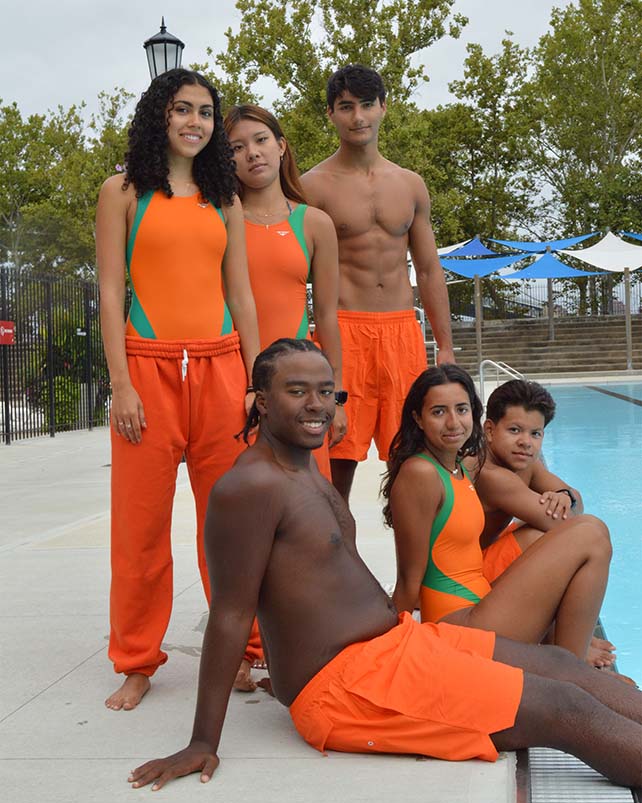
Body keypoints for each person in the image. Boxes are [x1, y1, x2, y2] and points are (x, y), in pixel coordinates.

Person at [129, 341, 642, 792]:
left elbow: (310, 581)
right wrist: (202, 739)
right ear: (262, 401)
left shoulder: (302, 465)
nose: (317, 406)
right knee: (564, 708)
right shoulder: (249, 488)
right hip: (348, 685)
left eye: (327, 392)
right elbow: (230, 613)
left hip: (394, 643)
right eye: (298, 391)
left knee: (562, 666)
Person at [96, 69, 260, 711]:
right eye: (182, 109)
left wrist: (254, 381)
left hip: (222, 374)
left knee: (230, 529)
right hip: (147, 372)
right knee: (139, 529)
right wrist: (121, 383)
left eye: (206, 112)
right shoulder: (123, 191)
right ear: (157, 117)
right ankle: (137, 660)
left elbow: (240, 294)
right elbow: (112, 292)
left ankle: (244, 651)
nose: (196, 121)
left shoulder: (225, 200)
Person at [383, 365, 612, 663]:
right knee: (590, 533)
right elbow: (407, 582)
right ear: (418, 418)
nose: (453, 422)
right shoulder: (422, 473)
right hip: (457, 627)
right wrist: (387, 652)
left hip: (479, 603)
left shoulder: (458, 468)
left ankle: (567, 662)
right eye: (439, 412)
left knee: (580, 533)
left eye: (461, 410)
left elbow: (570, 503)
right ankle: (572, 665)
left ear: (473, 415)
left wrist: (564, 495)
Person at [300, 64, 455, 503]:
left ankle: (414, 572)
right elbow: (294, 270)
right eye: (346, 107)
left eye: (367, 105)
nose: (358, 117)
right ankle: (330, 569)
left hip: (403, 334)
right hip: (342, 333)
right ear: (330, 114)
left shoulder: (410, 185)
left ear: (384, 108)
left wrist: (443, 346)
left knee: (412, 466)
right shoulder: (312, 187)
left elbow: (427, 269)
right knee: (335, 466)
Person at [223, 103, 347, 478]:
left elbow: (326, 315)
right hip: (233, 381)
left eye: (260, 140)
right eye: (236, 147)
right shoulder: (217, 220)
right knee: (245, 501)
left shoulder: (314, 223)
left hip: (299, 382)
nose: (252, 153)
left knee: (308, 505)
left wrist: (335, 397)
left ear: (281, 146)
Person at [476, 379, 615, 669]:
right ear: (490, 430)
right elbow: (566, 525)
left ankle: (570, 640)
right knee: (557, 538)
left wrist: (563, 496)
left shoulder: (525, 461)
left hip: (489, 565)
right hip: (472, 580)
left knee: (564, 535)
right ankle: (570, 659)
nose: (526, 441)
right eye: (514, 430)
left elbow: (576, 500)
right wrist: (564, 504)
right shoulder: (489, 474)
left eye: (535, 433)